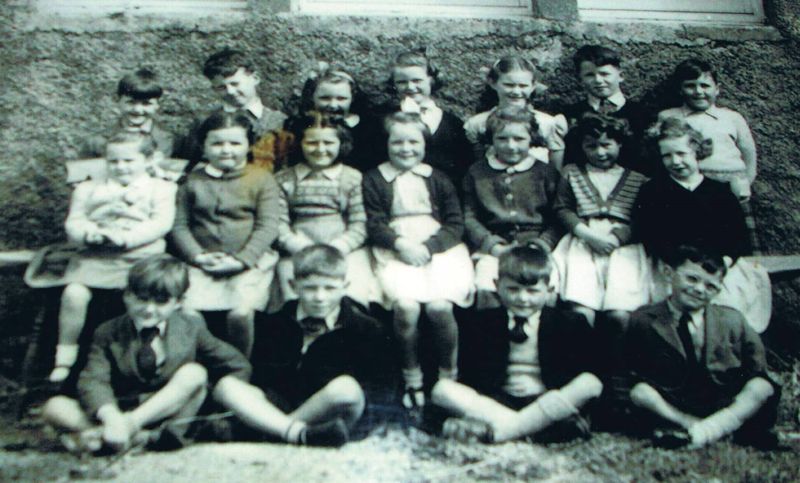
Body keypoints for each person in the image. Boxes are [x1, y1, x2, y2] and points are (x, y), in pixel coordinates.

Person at [41, 255, 251, 454]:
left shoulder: (191, 327)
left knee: (194, 373)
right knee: (55, 407)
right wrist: (110, 415)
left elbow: (237, 364)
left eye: (161, 302)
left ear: (178, 302)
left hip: (168, 409)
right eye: (141, 299)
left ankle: (119, 432)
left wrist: (215, 399)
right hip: (121, 409)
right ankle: (131, 437)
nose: (149, 309)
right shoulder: (108, 332)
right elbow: (93, 379)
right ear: (127, 296)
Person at [27, 133, 177, 383]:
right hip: (95, 256)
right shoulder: (88, 188)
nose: (120, 167)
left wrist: (127, 238)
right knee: (74, 293)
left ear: (149, 160)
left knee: (138, 298)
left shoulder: (162, 188)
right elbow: (75, 222)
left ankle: (142, 357)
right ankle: (65, 356)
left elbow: (160, 223)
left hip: (139, 257)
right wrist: (89, 234)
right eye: (114, 161)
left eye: (129, 161)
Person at [431, 245, 603, 444]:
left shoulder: (569, 322)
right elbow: (473, 376)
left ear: (549, 291)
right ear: (496, 286)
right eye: (513, 289)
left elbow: (587, 375)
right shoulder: (481, 322)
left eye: (532, 291)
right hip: (497, 403)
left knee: (590, 382)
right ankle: (531, 428)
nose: (522, 298)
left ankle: (500, 433)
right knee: (442, 388)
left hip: (548, 400)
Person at [363, 112, 474, 409]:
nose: (406, 148)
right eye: (397, 142)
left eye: (413, 141)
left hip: (439, 249)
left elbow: (455, 223)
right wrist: (401, 245)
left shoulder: (437, 178)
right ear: (386, 144)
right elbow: (374, 223)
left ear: (425, 143)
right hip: (396, 248)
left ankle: (448, 376)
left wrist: (429, 246)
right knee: (406, 307)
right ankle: (412, 376)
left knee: (440, 307)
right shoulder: (374, 179)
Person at [626, 245, 779, 449]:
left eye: (710, 286)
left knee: (762, 386)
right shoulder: (643, 319)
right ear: (669, 273)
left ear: (719, 289)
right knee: (640, 392)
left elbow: (756, 367)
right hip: (673, 402)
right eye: (692, 279)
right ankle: (698, 427)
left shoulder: (733, 320)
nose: (699, 289)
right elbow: (628, 370)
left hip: (722, 401)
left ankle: (710, 429)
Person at [633, 117, 771, 333]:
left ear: (696, 151)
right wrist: (680, 264)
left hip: (716, 265)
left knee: (726, 304)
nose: (675, 161)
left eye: (681, 153)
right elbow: (651, 236)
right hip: (673, 266)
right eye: (667, 156)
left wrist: (721, 262)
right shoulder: (652, 192)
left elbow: (737, 237)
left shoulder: (719, 191)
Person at [244, 245, 389, 446]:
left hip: (332, 417)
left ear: (345, 287)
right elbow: (262, 378)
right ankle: (294, 432)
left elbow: (379, 391)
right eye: (310, 288)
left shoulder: (366, 329)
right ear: (293, 286)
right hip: (281, 408)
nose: (320, 297)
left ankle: (277, 432)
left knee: (346, 388)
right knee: (227, 387)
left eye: (330, 288)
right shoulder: (274, 323)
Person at [170, 112, 279, 357]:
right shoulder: (191, 181)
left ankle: (240, 365)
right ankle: (202, 361)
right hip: (202, 263)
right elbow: (179, 225)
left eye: (235, 143)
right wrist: (197, 256)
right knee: (188, 311)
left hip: (249, 263)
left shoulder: (261, 179)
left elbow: (268, 225)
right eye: (217, 143)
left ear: (249, 145)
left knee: (240, 312)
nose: (226, 150)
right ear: (204, 146)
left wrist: (242, 259)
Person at [552, 113, 649, 328]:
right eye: (591, 146)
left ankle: (617, 361)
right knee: (580, 309)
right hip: (583, 240)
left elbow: (642, 218)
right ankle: (583, 358)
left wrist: (618, 238)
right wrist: (587, 234)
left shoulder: (638, 179)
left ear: (620, 144)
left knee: (620, 313)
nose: (600, 152)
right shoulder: (572, 173)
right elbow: (562, 208)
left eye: (606, 144)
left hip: (623, 246)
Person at [274, 112, 380, 309]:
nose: (320, 149)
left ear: (341, 144)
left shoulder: (352, 177)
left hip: (345, 250)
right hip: (298, 249)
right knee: (294, 299)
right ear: (300, 144)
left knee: (350, 298)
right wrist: (298, 246)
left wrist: (339, 247)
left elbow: (360, 223)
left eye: (328, 143)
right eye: (312, 143)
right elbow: (278, 224)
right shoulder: (284, 179)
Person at [461, 105, 561, 304]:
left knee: (547, 292)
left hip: (537, 247)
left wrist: (541, 244)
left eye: (519, 139)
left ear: (531, 139)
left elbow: (558, 216)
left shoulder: (545, 173)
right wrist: (493, 245)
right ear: (491, 139)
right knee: (486, 289)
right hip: (495, 248)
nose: (511, 146)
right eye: (502, 139)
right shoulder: (477, 172)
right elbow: (469, 217)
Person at [658, 58, 759, 252]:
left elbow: (749, 153)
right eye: (690, 86)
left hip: (731, 185)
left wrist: (746, 182)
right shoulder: (669, 116)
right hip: (692, 184)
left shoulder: (731, 118)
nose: (698, 91)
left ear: (717, 89)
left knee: (733, 240)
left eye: (705, 85)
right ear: (679, 89)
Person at [176, 48, 289, 173]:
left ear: (255, 78)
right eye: (221, 87)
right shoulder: (204, 121)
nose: (230, 91)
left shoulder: (280, 122)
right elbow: (188, 164)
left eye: (235, 84)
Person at [373, 50, 472, 184]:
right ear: (394, 84)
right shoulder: (382, 118)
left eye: (417, 80)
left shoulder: (452, 123)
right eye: (402, 82)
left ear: (431, 80)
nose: (410, 87)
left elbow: (463, 164)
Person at [558, 45, 652, 175]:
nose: (598, 80)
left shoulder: (642, 113)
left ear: (621, 75)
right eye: (590, 75)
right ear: (580, 79)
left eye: (604, 74)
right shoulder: (571, 114)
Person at [463, 55, 567, 171]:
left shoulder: (546, 123)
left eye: (523, 86)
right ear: (493, 83)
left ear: (533, 86)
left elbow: (555, 166)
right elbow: (479, 165)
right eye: (509, 85)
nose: (516, 91)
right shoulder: (479, 123)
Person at [284, 62, 381, 172]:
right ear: (312, 97)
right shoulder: (299, 126)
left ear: (352, 98)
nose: (333, 105)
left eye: (341, 98)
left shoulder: (369, 127)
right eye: (325, 98)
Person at [81, 68, 174, 161]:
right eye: (131, 102)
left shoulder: (172, 140)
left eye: (146, 103)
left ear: (158, 104)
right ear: (118, 100)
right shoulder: (95, 142)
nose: (137, 110)